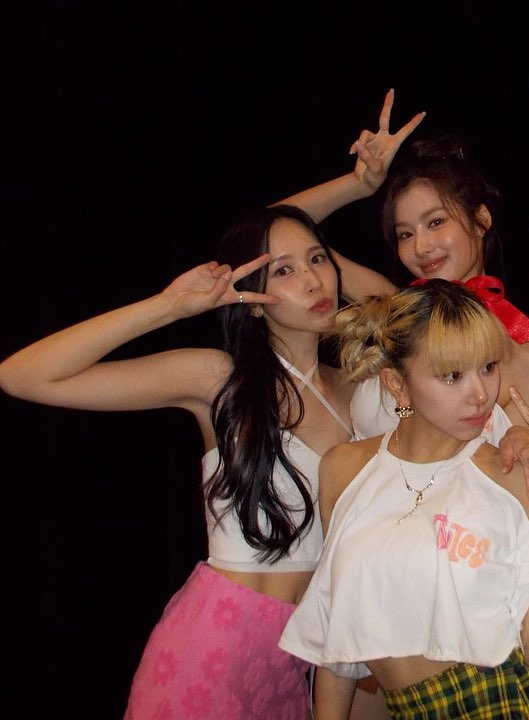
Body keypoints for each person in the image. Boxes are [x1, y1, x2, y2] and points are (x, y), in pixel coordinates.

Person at [0, 204, 384, 719]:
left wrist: (362, 187)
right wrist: (168, 307)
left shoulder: (360, 390)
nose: (313, 280)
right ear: (251, 299)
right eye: (284, 270)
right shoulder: (221, 379)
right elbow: (22, 375)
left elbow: (410, 314)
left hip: (300, 660)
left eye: (318, 259)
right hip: (214, 646)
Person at [278, 279, 529, 720]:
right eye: (452, 375)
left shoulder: (514, 476)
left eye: (488, 367)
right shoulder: (343, 469)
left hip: (510, 702)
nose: (481, 394)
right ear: (396, 384)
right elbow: (339, 631)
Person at [282, 89, 529, 445]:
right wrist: (358, 184)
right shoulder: (392, 311)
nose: (421, 247)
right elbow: (276, 228)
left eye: (435, 222)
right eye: (405, 234)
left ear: (481, 220)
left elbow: (506, 471)